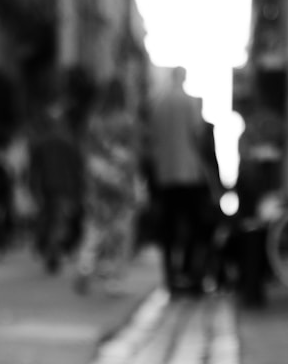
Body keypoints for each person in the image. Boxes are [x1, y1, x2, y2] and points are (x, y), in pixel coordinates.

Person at [147, 66, 219, 296]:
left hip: (165, 173)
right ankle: (190, 274)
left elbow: (152, 139)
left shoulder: (158, 104)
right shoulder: (190, 103)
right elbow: (198, 136)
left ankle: (170, 276)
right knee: (194, 226)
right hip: (189, 173)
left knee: (167, 228)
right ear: (184, 78)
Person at [75, 78, 138, 295]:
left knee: (94, 227)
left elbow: (87, 153)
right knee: (119, 232)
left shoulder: (95, 120)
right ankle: (113, 278)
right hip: (119, 183)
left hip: (98, 180)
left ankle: (85, 265)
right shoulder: (126, 121)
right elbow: (131, 158)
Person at [29, 99, 82, 273]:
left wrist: (33, 187)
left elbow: (34, 169)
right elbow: (77, 168)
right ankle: (52, 251)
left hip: (46, 186)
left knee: (49, 219)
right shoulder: (68, 141)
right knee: (58, 221)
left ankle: (48, 249)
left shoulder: (42, 142)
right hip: (63, 187)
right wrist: (78, 190)